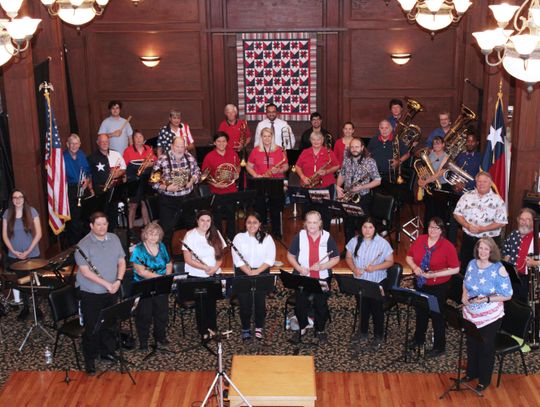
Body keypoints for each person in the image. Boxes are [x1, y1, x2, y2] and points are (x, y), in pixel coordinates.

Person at [75, 212, 126, 375]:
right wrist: (107, 284)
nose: (102, 227)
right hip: (91, 293)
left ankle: (106, 352)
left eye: (104, 224)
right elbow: (85, 272)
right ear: (91, 226)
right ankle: (90, 359)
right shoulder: (83, 245)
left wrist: (118, 280)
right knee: (92, 327)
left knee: (110, 324)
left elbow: (121, 261)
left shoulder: (114, 238)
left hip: (112, 289)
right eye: (98, 224)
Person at [462, 237, 513, 392]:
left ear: (492, 251)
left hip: (490, 316)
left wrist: (487, 298)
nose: (482, 251)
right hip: (470, 313)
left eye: (486, 249)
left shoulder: (498, 269)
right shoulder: (472, 264)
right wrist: (464, 295)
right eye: (480, 248)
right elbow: (465, 282)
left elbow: (508, 294)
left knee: (485, 347)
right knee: (471, 344)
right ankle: (472, 373)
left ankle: (484, 380)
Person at [405, 217, 460, 357]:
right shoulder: (420, 240)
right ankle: (419, 338)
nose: (433, 230)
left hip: (438, 287)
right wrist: (414, 267)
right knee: (421, 312)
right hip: (420, 283)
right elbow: (409, 257)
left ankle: (439, 346)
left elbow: (455, 269)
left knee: (437, 315)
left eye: (436, 228)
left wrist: (435, 274)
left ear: (441, 230)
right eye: (430, 227)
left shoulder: (448, 246)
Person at [286, 211, 340, 342]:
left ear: (320, 223)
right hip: (303, 277)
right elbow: (290, 255)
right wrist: (298, 268)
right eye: (309, 222)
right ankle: (302, 327)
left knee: (321, 305)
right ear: (305, 223)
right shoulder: (300, 236)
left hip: (322, 278)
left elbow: (336, 258)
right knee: (300, 304)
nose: (312, 225)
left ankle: (320, 330)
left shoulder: (327, 237)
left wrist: (322, 266)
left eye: (315, 222)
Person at [345, 217, 394, 350]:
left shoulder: (382, 243)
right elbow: (348, 257)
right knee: (362, 307)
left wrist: (375, 268)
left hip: (376, 281)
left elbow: (390, 262)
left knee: (376, 309)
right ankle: (363, 332)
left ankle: (378, 335)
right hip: (360, 280)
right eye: (365, 227)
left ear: (375, 229)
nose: (367, 230)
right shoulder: (354, 241)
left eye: (370, 227)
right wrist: (354, 269)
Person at [151, 136, 201, 251]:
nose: (180, 149)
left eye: (182, 147)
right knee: (166, 231)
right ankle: (167, 258)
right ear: (172, 146)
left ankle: (192, 254)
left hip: (188, 198)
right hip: (169, 201)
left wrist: (192, 180)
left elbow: (198, 172)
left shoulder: (189, 157)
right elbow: (153, 182)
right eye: (177, 146)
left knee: (192, 228)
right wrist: (167, 188)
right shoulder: (162, 160)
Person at [231, 212, 276, 341]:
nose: (252, 225)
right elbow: (237, 260)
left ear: (260, 224)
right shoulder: (239, 238)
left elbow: (270, 259)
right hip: (243, 273)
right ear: (245, 224)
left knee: (259, 303)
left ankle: (259, 327)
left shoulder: (267, 238)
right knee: (245, 303)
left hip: (261, 273)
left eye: (255, 222)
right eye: (249, 222)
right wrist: (248, 271)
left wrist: (256, 272)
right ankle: (245, 327)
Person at [182, 210, 226, 339]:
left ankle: (212, 328)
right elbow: (188, 259)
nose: (205, 223)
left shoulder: (215, 233)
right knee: (201, 304)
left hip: (213, 274)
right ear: (197, 221)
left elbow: (220, 255)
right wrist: (204, 267)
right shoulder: (190, 235)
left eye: (208, 220)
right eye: (202, 220)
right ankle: (203, 331)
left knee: (211, 303)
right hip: (196, 275)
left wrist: (214, 269)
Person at [454, 171, 507, 274]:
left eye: (485, 181)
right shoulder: (466, 196)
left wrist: (483, 229)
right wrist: (467, 226)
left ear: (490, 183)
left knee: (487, 271)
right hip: (468, 240)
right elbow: (457, 214)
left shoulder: (497, 200)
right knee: (466, 269)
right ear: (476, 182)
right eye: (479, 181)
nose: (481, 184)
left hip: (489, 242)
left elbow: (502, 222)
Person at [130, 222, 172, 350]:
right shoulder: (138, 249)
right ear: (145, 235)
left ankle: (160, 336)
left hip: (161, 285)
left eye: (156, 234)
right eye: (150, 234)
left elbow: (169, 263)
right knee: (144, 315)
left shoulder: (162, 246)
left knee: (162, 313)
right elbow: (141, 271)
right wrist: (161, 278)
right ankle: (143, 341)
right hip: (144, 286)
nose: (153, 237)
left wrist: (167, 276)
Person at [2, 189, 42, 320]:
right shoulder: (7, 213)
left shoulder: (32, 211)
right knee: (22, 283)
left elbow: (39, 234)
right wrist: (14, 251)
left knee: (34, 282)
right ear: (12, 200)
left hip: (32, 254)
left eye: (20, 197)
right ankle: (26, 307)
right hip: (15, 256)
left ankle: (37, 308)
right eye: (15, 197)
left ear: (24, 199)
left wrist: (28, 251)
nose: (17, 199)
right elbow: (4, 236)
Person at [246, 127, 289, 237]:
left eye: (269, 136)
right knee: (260, 206)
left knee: (276, 206)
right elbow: (248, 166)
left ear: (272, 137)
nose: (267, 138)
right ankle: (261, 230)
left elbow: (286, 166)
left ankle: (276, 231)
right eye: (264, 136)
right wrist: (256, 175)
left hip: (276, 181)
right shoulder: (256, 150)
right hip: (260, 181)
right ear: (261, 137)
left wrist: (278, 170)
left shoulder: (279, 150)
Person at [336, 137, 381, 243]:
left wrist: (362, 187)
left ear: (362, 148)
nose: (354, 149)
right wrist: (337, 187)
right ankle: (348, 249)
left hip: (363, 197)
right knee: (348, 225)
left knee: (362, 226)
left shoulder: (370, 162)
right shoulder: (347, 160)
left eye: (357, 147)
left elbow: (378, 180)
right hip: (348, 196)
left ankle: (361, 249)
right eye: (352, 147)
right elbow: (342, 175)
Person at [295, 132, 340, 231]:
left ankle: (325, 235)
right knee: (308, 213)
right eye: (313, 139)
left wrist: (327, 171)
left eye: (318, 139)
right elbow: (297, 166)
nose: (316, 142)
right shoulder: (305, 152)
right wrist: (303, 177)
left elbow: (337, 166)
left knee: (325, 213)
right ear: (310, 141)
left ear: (322, 141)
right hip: (308, 187)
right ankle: (309, 234)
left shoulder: (328, 152)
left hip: (325, 187)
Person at [201, 132, 241, 240]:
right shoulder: (209, 157)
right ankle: (219, 239)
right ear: (214, 142)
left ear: (227, 142)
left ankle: (231, 238)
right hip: (216, 191)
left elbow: (237, 166)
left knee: (231, 216)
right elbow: (204, 175)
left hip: (231, 190)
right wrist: (214, 183)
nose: (221, 143)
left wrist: (237, 173)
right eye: (218, 141)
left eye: (224, 141)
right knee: (217, 217)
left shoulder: (233, 153)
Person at [87, 133, 127, 232]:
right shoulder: (92, 157)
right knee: (101, 216)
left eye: (106, 141)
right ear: (98, 143)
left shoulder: (116, 154)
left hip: (114, 190)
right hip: (100, 192)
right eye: (102, 142)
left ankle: (112, 235)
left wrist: (118, 174)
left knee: (113, 215)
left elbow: (123, 168)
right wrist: (91, 189)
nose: (105, 143)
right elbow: (88, 175)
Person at [502, 208, 540, 304]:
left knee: (524, 305)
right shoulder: (513, 235)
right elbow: (506, 254)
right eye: (522, 219)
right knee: (511, 303)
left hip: (529, 280)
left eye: (528, 220)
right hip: (512, 277)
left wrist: (534, 263)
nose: (524, 222)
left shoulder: (538, 238)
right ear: (518, 220)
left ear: (533, 222)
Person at [123, 130, 156, 230]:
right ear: (133, 139)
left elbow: (155, 161)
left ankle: (146, 226)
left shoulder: (149, 149)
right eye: (136, 137)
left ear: (143, 139)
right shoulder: (128, 150)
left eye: (140, 137)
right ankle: (130, 229)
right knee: (133, 205)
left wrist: (149, 164)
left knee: (145, 203)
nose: (138, 139)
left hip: (146, 181)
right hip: (134, 181)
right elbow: (123, 166)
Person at [63, 133, 93, 245]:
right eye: (72, 144)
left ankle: (86, 244)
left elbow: (89, 172)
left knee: (85, 218)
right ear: (67, 144)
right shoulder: (62, 157)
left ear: (80, 144)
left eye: (76, 143)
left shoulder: (82, 154)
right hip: (70, 190)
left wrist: (88, 181)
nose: (74, 146)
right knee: (74, 221)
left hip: (83, 188)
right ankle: (75, 246)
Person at [417, 136, 451, 232]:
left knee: (439, 213)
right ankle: (427, 234)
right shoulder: (429, 155)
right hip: (430, 186)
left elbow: (439, 173)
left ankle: (440, 234)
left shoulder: (446, 157)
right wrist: (420, 180)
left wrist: (425, 181)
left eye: (438, 143)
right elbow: (423, 170)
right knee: (429, 213)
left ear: (443, 144)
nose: (436, 145)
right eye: (434, 143)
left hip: (441, 187)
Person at [367, 119, 409, 192]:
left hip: (390, 176)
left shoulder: (397, 140)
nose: (384, 130)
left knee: (389, 197)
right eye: (382, 128)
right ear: (379, 129)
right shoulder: (374, 140)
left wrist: (398, 161)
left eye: (386, 128)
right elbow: (368, 154)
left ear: (391, 129)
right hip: (375, 175)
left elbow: (407, 154)